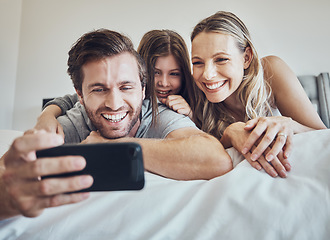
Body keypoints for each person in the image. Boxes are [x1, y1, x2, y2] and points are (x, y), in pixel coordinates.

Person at [0, 29, 232, 220]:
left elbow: (216, 159)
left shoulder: (161, 114)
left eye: (126, 87)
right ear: (80, 95)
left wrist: (117, 146)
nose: (114, 104)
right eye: (99, 89)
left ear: (143, 90)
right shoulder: (73, 120)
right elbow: (10, 174)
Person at [189, 11, 327, 178]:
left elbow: (322, 135)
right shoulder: (192, 92)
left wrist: (291, 125)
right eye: (197, 62)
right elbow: (199, 161)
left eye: (221, 59)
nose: (207, 74)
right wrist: (229, 134)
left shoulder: (271, 71)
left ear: (246, 57)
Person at [35, 29, 194, 136]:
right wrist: (47, 114)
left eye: (174, 74)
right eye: (156, 73)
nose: (164, 83)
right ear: (143, 75)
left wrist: (191, 115)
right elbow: (71, 99)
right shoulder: (79, 115)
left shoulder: (189, 102)